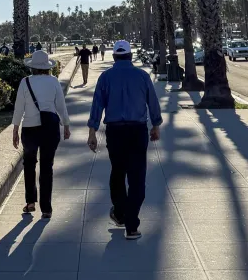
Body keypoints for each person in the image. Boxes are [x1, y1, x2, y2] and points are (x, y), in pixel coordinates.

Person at [87, 39, 162, 239]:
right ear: (130, 56)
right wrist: (155, 125)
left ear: (114, 56)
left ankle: (121, 214)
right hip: (138, 131)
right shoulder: (142, 76)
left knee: (118, 173)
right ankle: (131, 225)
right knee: (137, 177)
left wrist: (92, 131)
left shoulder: (105, 77)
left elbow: (97, 105)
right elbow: (153, 102)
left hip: (115, 132)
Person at [12, 50, 70, 217]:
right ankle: (46, 209)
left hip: (30, 128)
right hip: (50, 128)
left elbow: (19, 107)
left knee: (29, 164)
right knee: (46, 167)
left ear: (33, 67)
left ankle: (30, 202)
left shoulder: (25, 82)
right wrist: (66, 125)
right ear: (47, 67)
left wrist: (15, 129)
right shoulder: (53, 81)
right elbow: (61, 105)